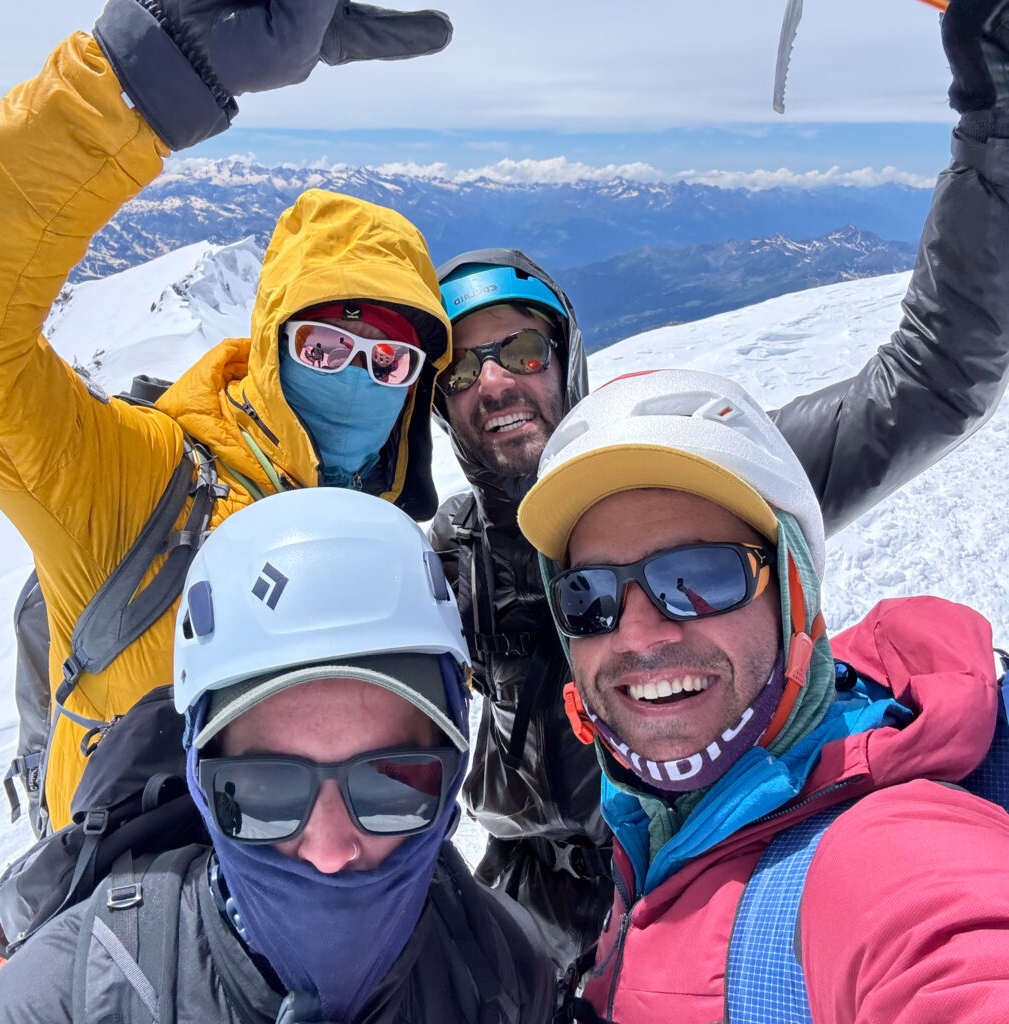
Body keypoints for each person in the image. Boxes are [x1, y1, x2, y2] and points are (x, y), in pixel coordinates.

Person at [428, 0, 1009, 973]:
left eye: (521, 349)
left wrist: (996, 104)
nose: (494, 382)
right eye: (459, 368)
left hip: (709, 873)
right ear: (441, 407)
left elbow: (933, 379)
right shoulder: (445, 560)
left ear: (566, 359)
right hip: (520, 910)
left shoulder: (708, 477)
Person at [0, 0, 454, 829]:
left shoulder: (401, 564)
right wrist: (142, 78)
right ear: (271, 345)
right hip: (128, 901)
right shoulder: (137, 486)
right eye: (323, 346)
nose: (358, 377)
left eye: (388, 362)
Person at [516, 365, 1009, 1022]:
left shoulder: (883, 858)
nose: (636, 634)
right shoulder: (649, 817)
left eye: (699, 576)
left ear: (793, 593)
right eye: (589, 596)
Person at [0, 487, 557, 1023]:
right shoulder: (62, 999)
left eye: (392, 786)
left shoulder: (507, 972)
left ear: (451, 777)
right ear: (203, 784)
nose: (330, 853)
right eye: (262, 794)